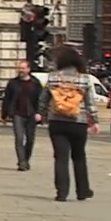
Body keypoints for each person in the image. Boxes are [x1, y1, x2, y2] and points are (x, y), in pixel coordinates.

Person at [40, 45, 98, 201]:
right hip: (78, 122)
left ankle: (62, 192)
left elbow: (43, 98)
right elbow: (90, 102)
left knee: (60, 157)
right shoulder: (85, 78)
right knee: (79, 156)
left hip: (57, 122)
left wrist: (42, 114)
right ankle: (82, 191)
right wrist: (94, 121)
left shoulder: (53, 77)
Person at [0, 59, 43, 171]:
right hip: (17, 114)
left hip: (31, 114)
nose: (20, 70)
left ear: (28, 69)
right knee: (19, 138)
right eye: (19, 68)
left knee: (30, 140)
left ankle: (26, 159)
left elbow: (41, 99)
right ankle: (22, 162)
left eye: (23, 68)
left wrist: (40, 113)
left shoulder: (35, 83)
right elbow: (7, 99)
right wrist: (4, 115)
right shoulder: (13, 83)